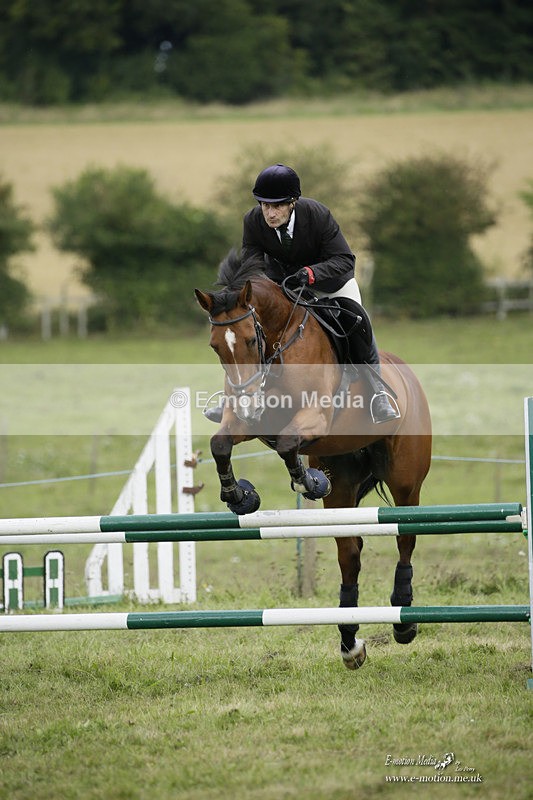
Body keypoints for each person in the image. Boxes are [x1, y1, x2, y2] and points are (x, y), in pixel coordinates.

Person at [205, 163, 399, 424]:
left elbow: (345, 260)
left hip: (330, 284)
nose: (270, 213)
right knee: (248, 332)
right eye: (265, 205)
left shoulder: (317, 215)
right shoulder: (253, 220)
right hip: (285, 286)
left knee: (358, 321)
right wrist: (236, 294)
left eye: (277, 206)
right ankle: (232, 397)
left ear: (292, 202)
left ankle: (377, 394)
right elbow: (252, 265)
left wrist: (310, 273)